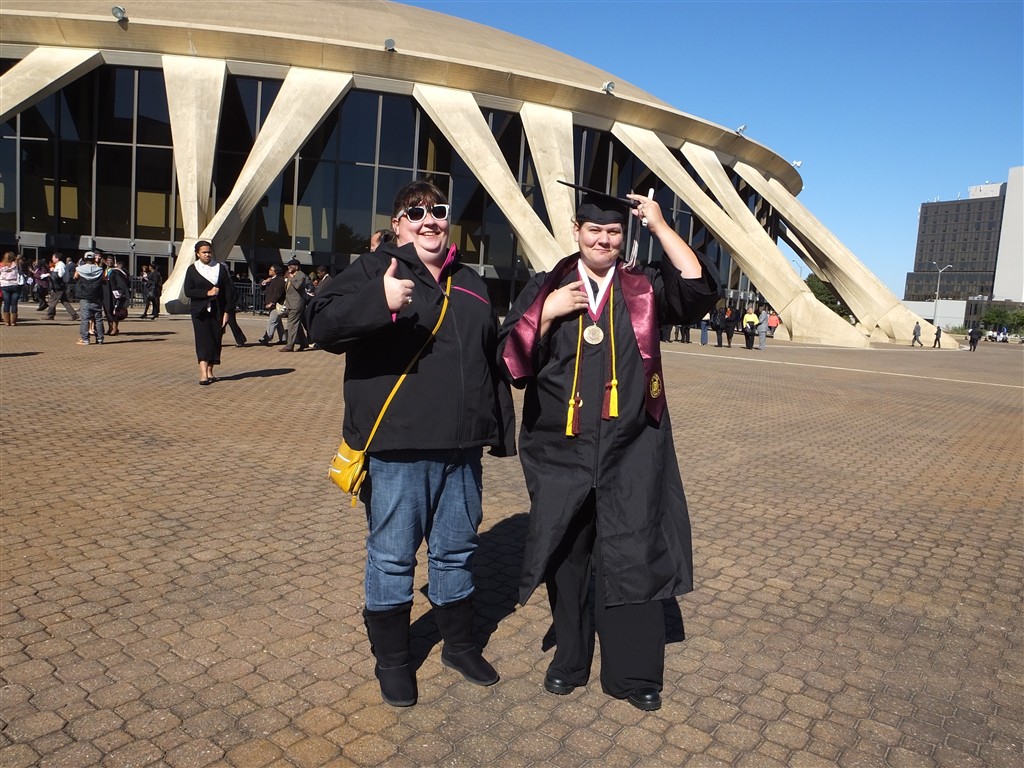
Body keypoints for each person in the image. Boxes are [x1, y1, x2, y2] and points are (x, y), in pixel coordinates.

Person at [498, 188, 718, 712]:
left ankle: (633, 672)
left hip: (632, 446)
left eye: (614, 231)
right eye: (594, 229)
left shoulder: (644, 286)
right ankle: (570, 658)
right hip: (561, 447)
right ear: (576, 231)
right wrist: (546, 314)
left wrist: (660, 225)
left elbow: (697, 288)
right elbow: (508, 357)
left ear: (625, 235)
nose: (603, 239)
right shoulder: (546, 285)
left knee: (635, 551)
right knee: (568, 553)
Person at [307, 179, 515, 708]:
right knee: (393, 557)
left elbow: (490, 358)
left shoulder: (472, 282)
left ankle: (459, 646)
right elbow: (319, 324)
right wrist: (377, 302)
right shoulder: (375, 269)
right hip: (399, 448)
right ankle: (394, 661)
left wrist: (496, 432)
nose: (430, 220)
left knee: (456, 551)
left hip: (461, 448)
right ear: (399, 224)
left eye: (438, 211)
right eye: (416, 213)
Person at [183, 240, 233, 385]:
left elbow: (228, 293)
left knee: (215, 340)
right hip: (200, 311)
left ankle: (211, 371)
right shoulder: (192, 269)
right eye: (204, 252)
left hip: (218, 311)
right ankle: (203, 374)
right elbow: (188, 291)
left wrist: (227, 312)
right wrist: (207, 293)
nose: (207, 255)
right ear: (197, 254)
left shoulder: (220, 268)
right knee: (203, 340)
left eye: (209, 252)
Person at [74, 251, 106, 345]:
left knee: (85, 319)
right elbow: (104, 278)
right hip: (97, 296)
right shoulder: (99, 269)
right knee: (98, 318)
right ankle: (100, 339)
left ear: (84, 259)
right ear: (93, 259)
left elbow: (75, 277)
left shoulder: (79, 269)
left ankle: (85, 339)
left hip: (85, 296)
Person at [280, 258, 311, 352]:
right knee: (297, 325)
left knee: (291, 325)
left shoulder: (301, 275)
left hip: (296, 304)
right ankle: (304, 342)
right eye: (288, 266)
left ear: (296, 267)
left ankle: (289, 346)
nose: (288, 268)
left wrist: (291, 277)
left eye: (290, 266)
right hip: (291, 303)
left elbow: (298, 286)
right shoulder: (291, 275)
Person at [44, 253, 80, 321]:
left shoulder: (60, 265)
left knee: (52, 300)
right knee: (64, 301)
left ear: (57, 259)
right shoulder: (60, 265)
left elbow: (60, 275)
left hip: (59, 285)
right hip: (60, 285)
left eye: (53, 258)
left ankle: (50, 314)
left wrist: (52, 272)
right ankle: (74, 315)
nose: (52, 259)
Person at [257, 265, 287, 345]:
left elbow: (278, 293)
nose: (269, 271)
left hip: (277, 305)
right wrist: (265, 282)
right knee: (278, 322)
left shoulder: (280, 281)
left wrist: (272, 302)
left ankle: (267, 338)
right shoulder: (270, 280)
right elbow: (262, 288)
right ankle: (283, 338)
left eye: (271, 270)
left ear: (275, 271)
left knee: (272, 322)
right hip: (271, 305)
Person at [107, 258, 130, 336]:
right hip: (120, 293)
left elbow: (113, 283)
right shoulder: (125, 273)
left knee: (115, 311)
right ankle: (111, 328)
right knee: (113, 311)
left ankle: (114, 329)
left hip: (115, 293)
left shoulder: (116, 272)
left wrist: (116, 291)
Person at [0, 251, 23, 326]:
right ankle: (13, 321)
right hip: (15, 285)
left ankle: (7, 321)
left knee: (6, 303)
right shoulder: (16, 264)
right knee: (14, 303)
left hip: (4, 285)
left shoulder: (1, 265)